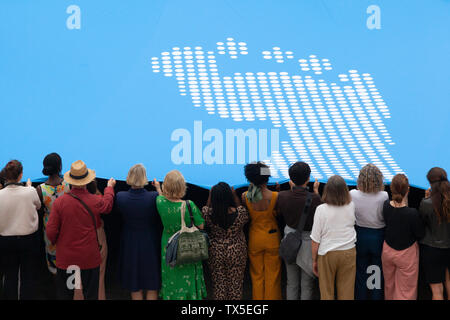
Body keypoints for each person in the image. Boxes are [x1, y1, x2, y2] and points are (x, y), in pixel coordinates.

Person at [46, 160, 116, 300]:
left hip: (67, 259)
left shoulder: (60, 203)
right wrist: (109, 188)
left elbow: (51, 231)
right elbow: (107, 206)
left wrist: (59, 243)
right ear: (86, 181)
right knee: (91, 294)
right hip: (89, 259)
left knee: (69, 294)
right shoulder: (94, 200)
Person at [156, 170, 207, 300]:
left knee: (171, 276)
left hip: (169, 247)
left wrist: (157, 187)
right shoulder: (189, 205)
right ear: (182, 186)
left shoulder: (159, 202)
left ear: (165, 185)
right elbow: (201, 226)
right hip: (188, 247)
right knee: (188, 278)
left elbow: (162, 197)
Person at [115, 164, 163, 300]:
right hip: (150, 243)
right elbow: (166, 205)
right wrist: (159, 188)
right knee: (152, 283)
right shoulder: (153, 197)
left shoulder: (120, 197)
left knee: (134, 283)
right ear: (144, 178)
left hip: (130, 243)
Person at [277, 162, 322, 300]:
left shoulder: (282, 196)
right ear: (308, 178)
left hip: (289, 241)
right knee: (307, 283)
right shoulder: (315, 199)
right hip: (308, 244)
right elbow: (321, 210)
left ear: (290, 178)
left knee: (291, 283)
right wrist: (316, 191)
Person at [311, 175, 357, 300]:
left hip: (326, 253)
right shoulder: (351, 205)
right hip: (348, 251)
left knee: (326, 293)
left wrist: (314, 260)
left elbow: (315, 239)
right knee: (347, 293)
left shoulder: (321, 210)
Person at [0, 160, 41, 299]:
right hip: (28, 240)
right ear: (21, 175)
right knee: (27, 276)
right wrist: (29, 187)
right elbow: (38, 206)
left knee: (9, 275)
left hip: (5, 241)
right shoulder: (30, 192)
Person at [202, 182, 249, 300]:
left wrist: (210, 195)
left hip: (215, 253)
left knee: (219, 286)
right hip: (236, 252)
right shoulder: (240, 214)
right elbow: (241, 208)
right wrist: (234, 195)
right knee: (236, 286)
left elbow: (206, 208)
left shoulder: (207, 214)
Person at [242, 162, 281, 300]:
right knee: (273, 275)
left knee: (256, 275)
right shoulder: (276, 196)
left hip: (254, 239)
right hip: (272, 239)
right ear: (267, 177)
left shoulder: (245, 196)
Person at [381, 174, 425, 300]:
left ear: (391, 189)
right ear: (408, 189)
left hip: (387, 251)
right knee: (406, 291)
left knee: (389, 286)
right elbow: (420, 234)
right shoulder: (412, 213)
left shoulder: (385, 206)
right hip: (406, 254)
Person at [350, 164, 388, 300]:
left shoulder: (352, 194)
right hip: (378, 236)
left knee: (361, 273)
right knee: (376, 272)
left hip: (360, 236)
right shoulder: (384, 196)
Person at [36, 153, 71, 275]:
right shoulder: (68, 185)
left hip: (49, 229)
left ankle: (58, 288)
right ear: (60, 167)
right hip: (67, 227)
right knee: (70, 262)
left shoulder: (40, 189)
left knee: (54, 265)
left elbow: (39, 211)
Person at [418, 167, 450, 300]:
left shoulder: (426, 203)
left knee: (436, 291)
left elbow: (420, 227)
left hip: (431, 250)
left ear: (430, 183)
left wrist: (427, 198)